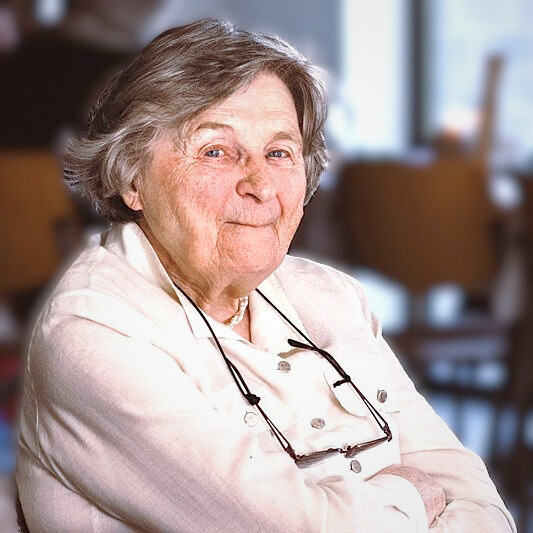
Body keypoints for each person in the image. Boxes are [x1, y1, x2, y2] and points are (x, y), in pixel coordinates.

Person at [15, 19, 516, 532]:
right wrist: (412, 495)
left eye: (279, 153)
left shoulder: (331, 297)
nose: (260, 185)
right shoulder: (94, 333)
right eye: (216, 151)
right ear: (131, 178)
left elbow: (478, 500)